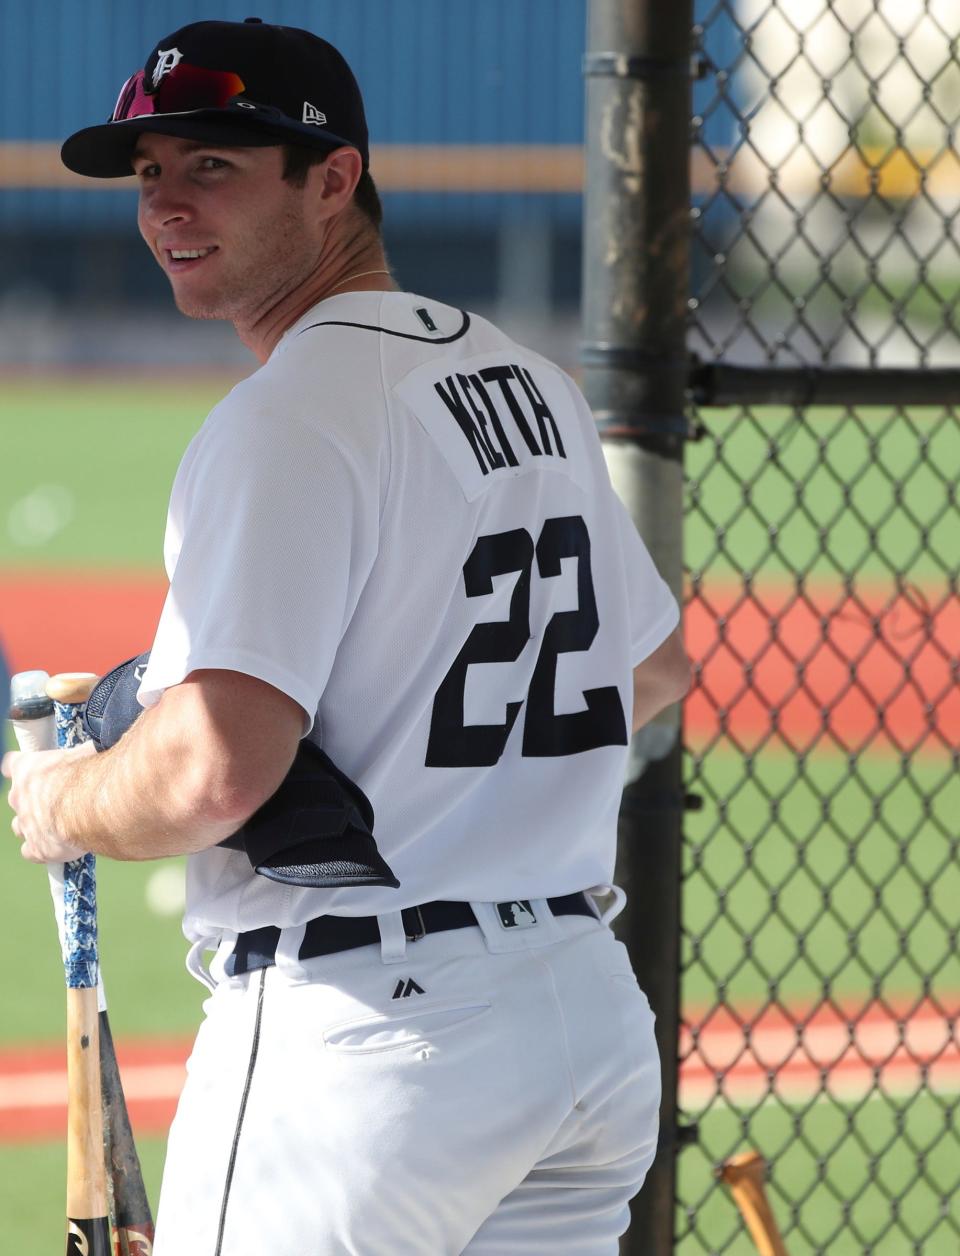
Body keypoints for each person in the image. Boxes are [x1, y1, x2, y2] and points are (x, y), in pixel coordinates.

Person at [2, 18, 690, 1255]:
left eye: (214, 165)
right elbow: (648, 666)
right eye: (150, 172)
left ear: (334, 178)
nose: (167, 204)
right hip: (581, 1026)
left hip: (371, 1045)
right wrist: (434, 770)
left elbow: (213, 770)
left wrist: (67, 800)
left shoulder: (286, 417)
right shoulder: (529, 381)